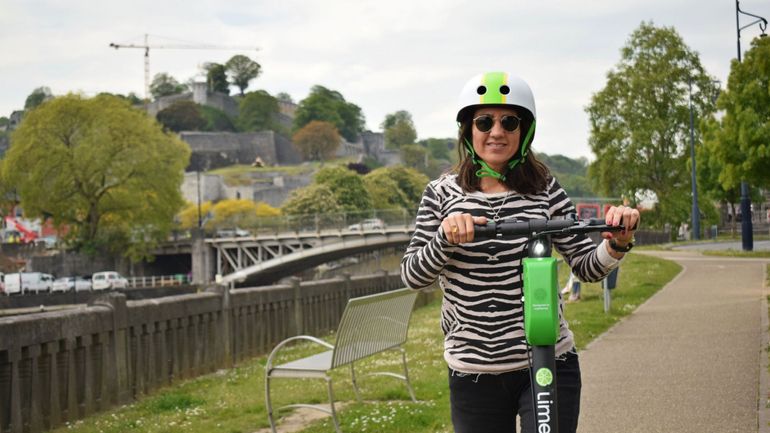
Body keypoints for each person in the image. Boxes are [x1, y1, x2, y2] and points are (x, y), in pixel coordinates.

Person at [400, 71, 640, 433]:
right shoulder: (440, 194)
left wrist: (617, 242)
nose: (496, 131)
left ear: (523, 130)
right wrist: (444, 239)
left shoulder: (545, 190)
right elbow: (413, 276)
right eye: (484, 121)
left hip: (547, 362)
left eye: (509, 122)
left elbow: (586, 267)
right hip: (473, 372)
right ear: (469, 129)